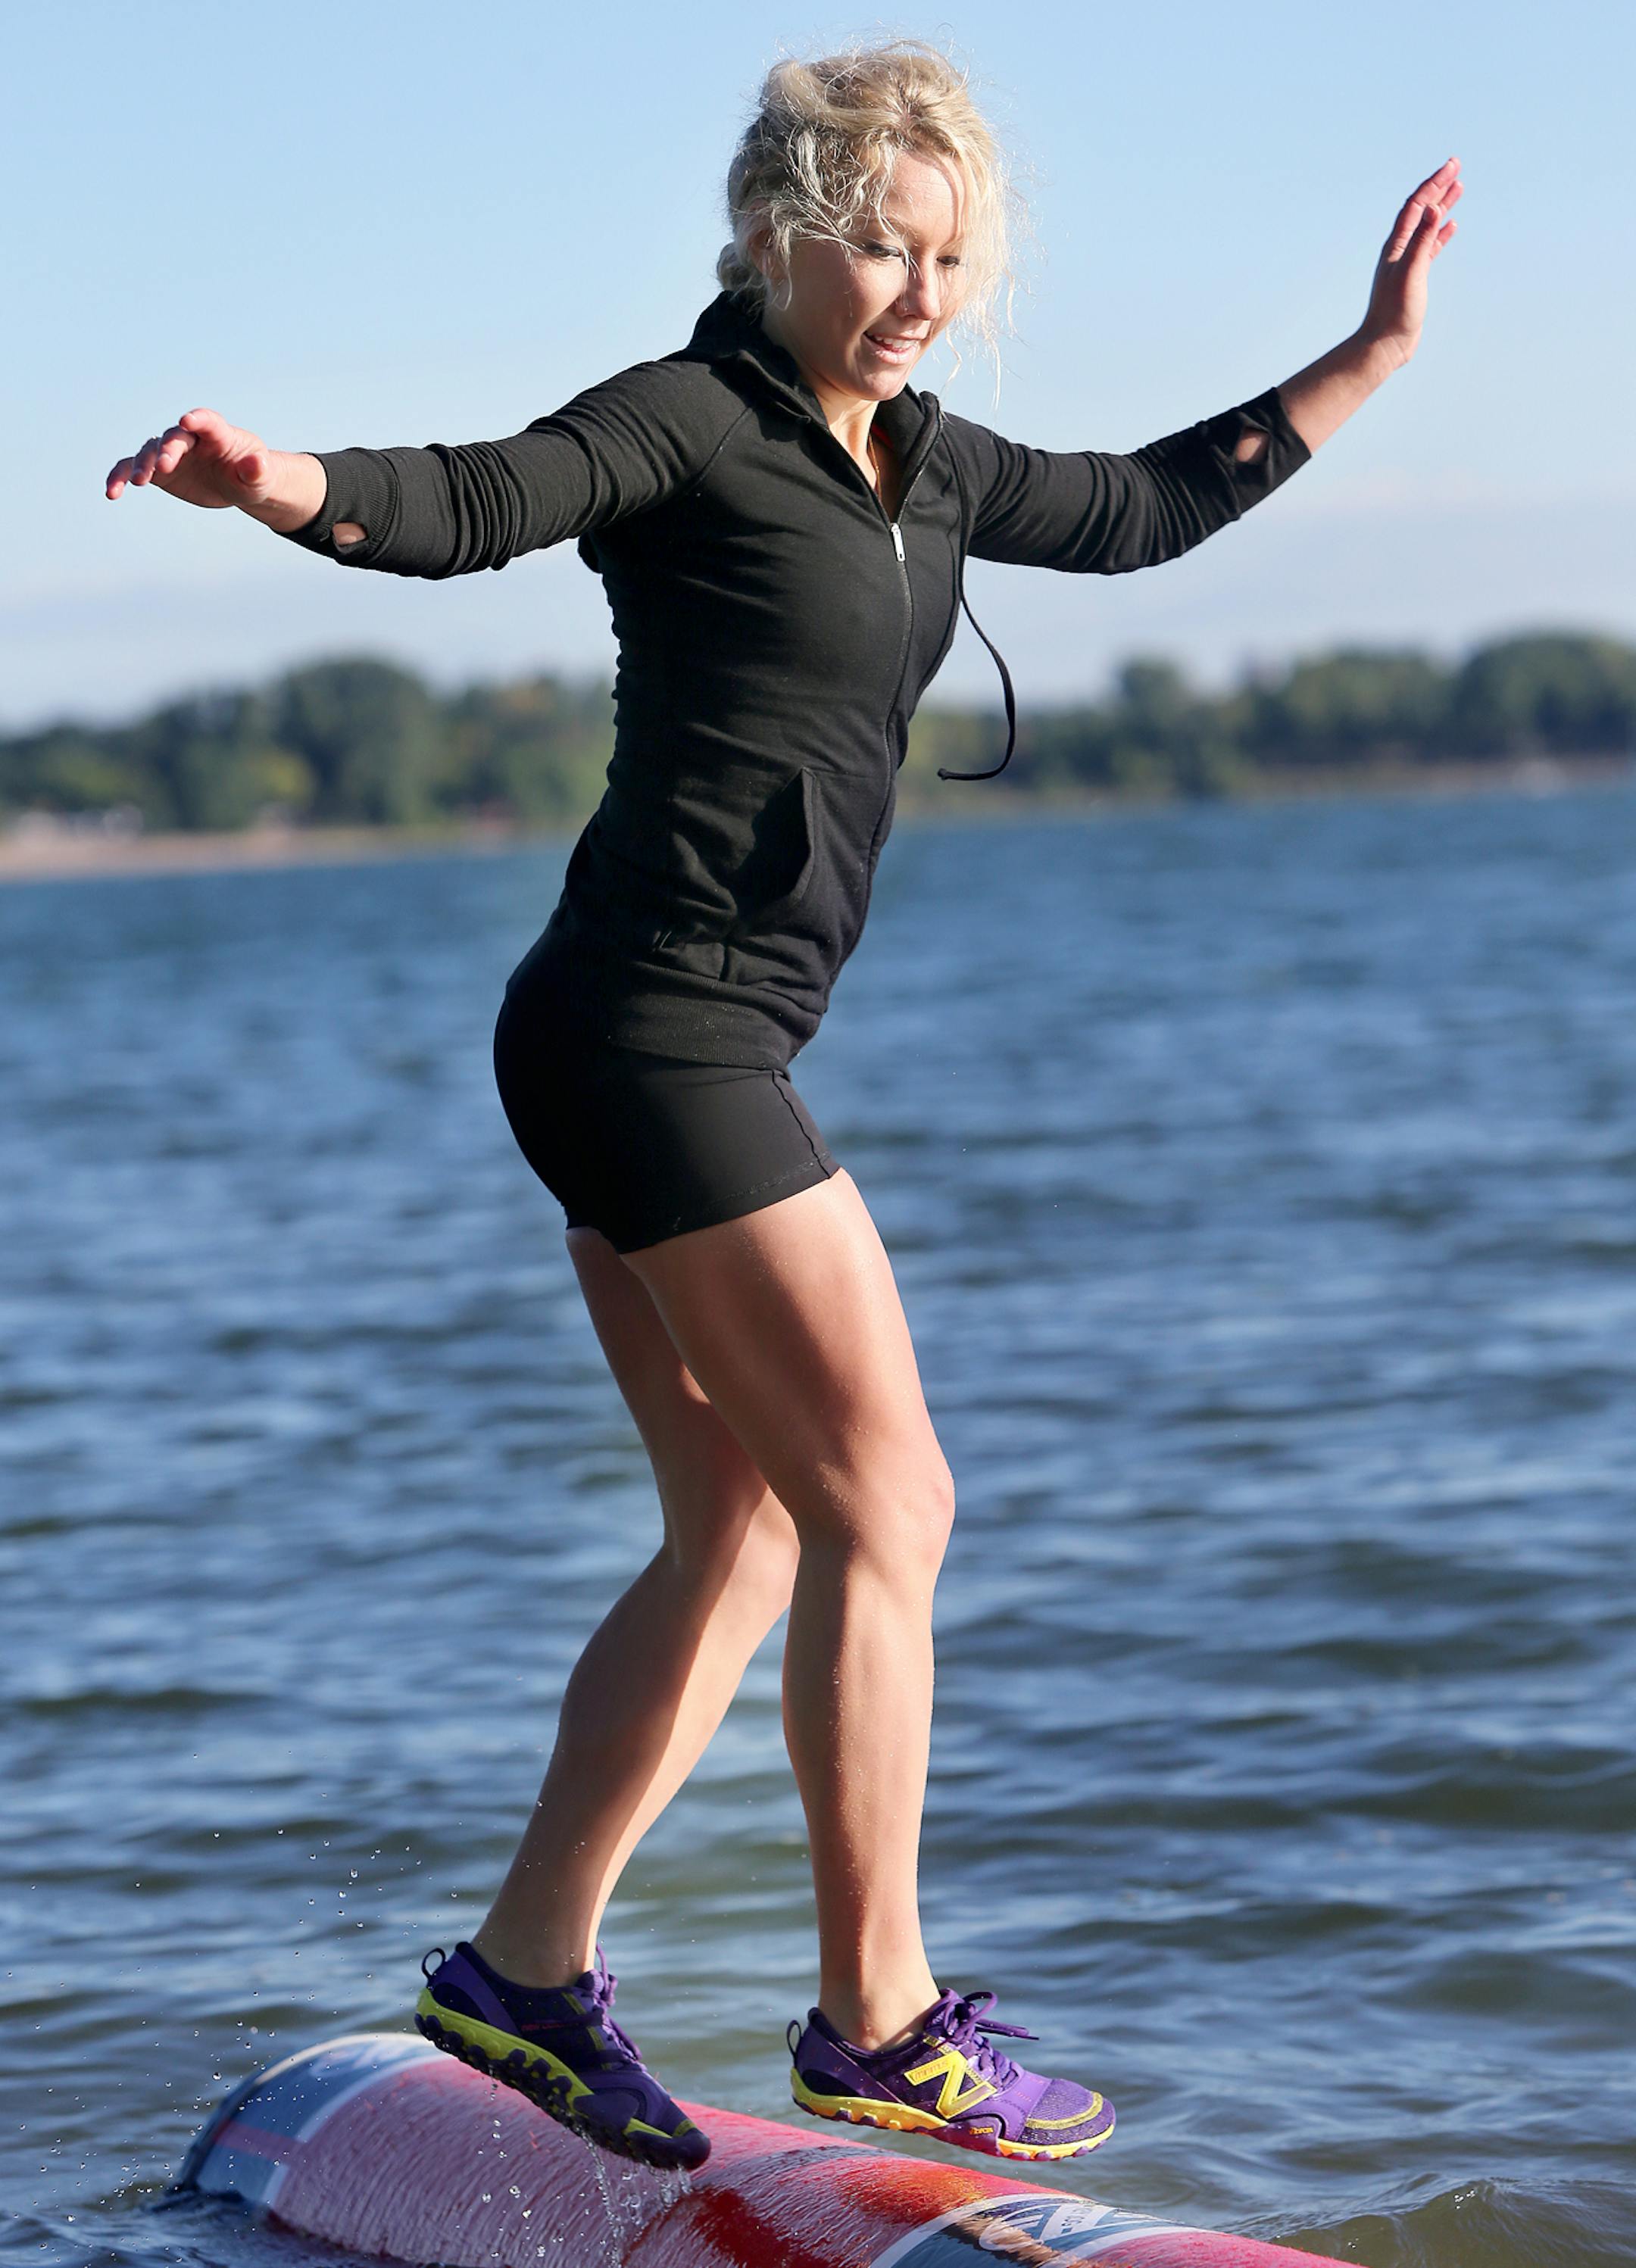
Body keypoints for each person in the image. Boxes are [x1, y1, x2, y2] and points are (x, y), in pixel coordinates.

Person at [106, 39, 1460, 2176]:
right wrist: (273, 478)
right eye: (879, 246)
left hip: (643, 1032)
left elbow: (1143, 504)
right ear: (775, 228)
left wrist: (1370, 355)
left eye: (949, 256)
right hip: (660, 1033)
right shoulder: (693, 419)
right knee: (890, 1503)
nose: (917, 290)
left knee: (748, 1525)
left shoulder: (918, 460)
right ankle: (879, 2019)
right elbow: (471, 500)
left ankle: (523, 1973)